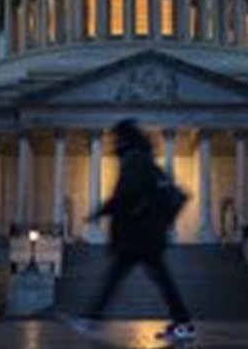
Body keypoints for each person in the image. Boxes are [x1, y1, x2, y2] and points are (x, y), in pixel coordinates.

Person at [63, 117, 196, 343]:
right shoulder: (142, 158)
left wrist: (103, 210)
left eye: (116, 137)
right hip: (146, 234)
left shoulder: (134, 159)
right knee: (156, 279)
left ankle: (91, 318)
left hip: (138, 234)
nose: (113, 142)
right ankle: (182, 323)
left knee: (117, 277)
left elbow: (126, 194)